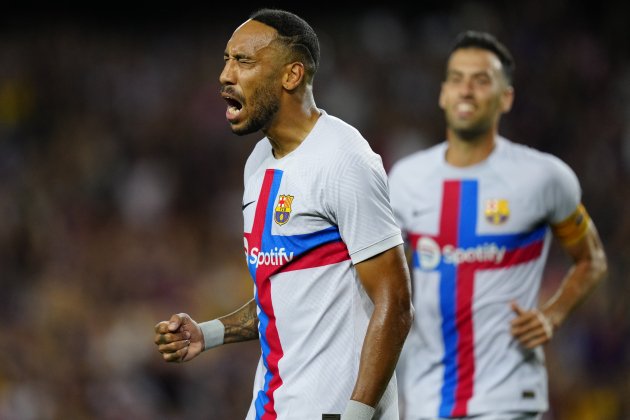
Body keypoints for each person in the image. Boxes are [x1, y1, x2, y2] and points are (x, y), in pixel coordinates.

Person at [153, 8, 413, 420]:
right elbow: (282, 298)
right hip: (270, 406)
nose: (225, 75)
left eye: (244, 61)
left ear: (291, 76)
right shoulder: (258, 163)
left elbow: (395, 301)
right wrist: (209, 333)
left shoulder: (344, 160)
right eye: (226, 59)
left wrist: (358, 415)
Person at [389, 30, 608, 420]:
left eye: (481, 80)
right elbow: (388, 278)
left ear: (506, 97)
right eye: (456, 79)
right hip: (425, 399)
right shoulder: (405, 179)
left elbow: (591, 259)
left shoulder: (543, 177)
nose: (466, 90)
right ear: (442, 94)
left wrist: (552, 314)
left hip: (510, 398)